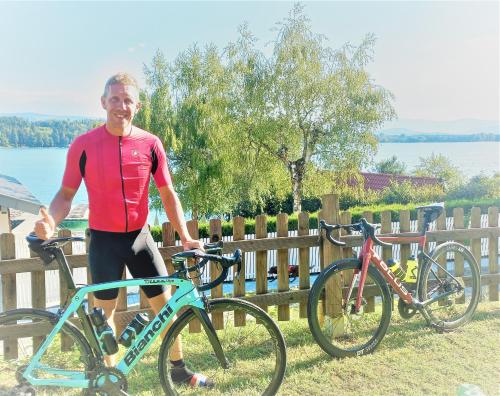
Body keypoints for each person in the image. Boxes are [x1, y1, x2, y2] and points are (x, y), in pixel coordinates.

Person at [34, 72, 213, 388]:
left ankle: (179, 371)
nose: (121, 106)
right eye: (114, 99)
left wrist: (185, 235)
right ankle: (109, 380)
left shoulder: (150, 144)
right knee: (105, 320)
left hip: (140, 239)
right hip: (103, 241)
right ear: (103, 102)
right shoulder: (84, 145)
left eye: (127, 100)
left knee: (166, 310)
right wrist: (50, 223)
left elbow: (168, 193)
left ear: (137, 106)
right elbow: (65, 194)